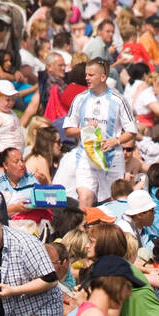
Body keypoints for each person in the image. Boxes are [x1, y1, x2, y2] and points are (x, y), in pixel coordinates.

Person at [63, 57, 137, 211]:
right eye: (86, 75)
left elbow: (131, 131)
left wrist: (115, 141)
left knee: (112, 203)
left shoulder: (118, 100)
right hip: (86, 157)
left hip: (111, 159)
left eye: (91, 75)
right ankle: (83, 233)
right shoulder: (80, 99)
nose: (86, 78)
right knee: (84, 199)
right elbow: (68, 130)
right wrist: (84, 130)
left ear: (103, 77)